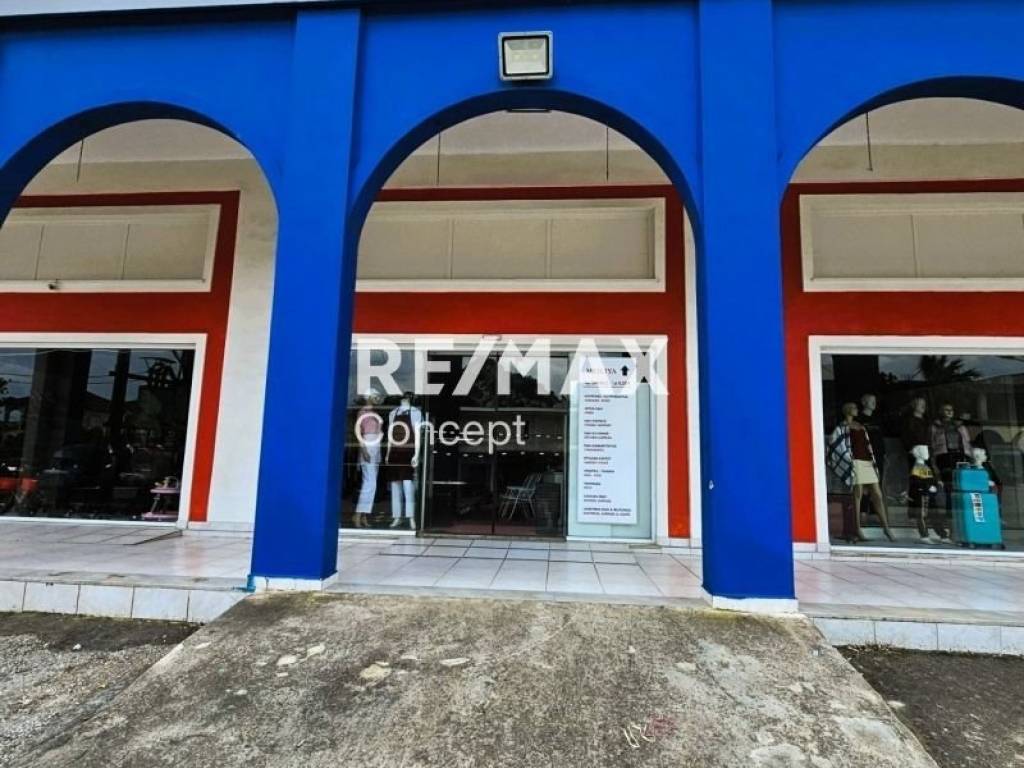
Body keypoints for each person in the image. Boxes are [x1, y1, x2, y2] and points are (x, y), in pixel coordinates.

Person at [352, 389, 384, 528]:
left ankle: (364, 515)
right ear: (369, 397)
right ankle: (358, 514)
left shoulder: (374, 413)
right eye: (374, 396)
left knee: (372, 483)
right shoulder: (363, 412)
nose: (377, 399)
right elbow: (358, 432)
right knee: (369, 483)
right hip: (368, 444)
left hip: (376, 446)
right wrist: (363, 450)